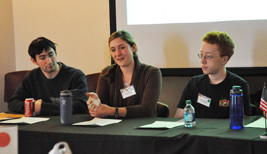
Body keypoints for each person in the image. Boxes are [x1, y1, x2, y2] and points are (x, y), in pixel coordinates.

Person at [87, 30, 162, 118]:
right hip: (113, 127)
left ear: (133, 47)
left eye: (122, 48)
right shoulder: (106, 73)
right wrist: (95, 106)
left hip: (143, 128)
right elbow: (100, 107)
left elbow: (147, 109)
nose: (118, 53)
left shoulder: (152, 73)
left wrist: (112, 111)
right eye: (113, 50)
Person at [175, 31, 251, 118]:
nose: (202, 61)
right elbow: (179, 118)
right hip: (197, 131)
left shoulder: (238, 85)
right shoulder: (194, 83)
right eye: (201, 55)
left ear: (224, 60)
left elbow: (243, 121)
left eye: (208, 56)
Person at [8, 37, 88, 115]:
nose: (49, 61)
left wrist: (42, 107)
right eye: (42, 58)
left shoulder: (76, 75)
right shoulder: (32, 77)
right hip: (40, 125)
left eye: (51, 55)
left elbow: (81, 106)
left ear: (56, 54)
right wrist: (33, 107)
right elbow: (13, 103)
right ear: (34, 61)